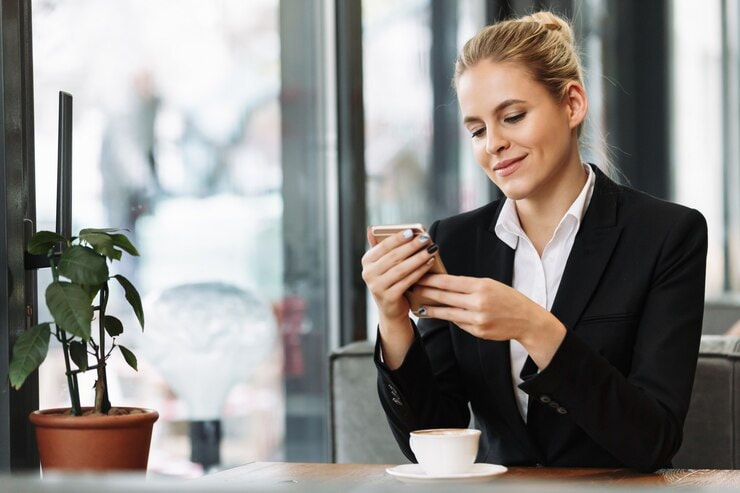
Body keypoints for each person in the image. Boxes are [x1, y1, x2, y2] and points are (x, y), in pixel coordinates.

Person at [361, 11, 708, 472]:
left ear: (572, 104)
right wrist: (392, 319)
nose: (494, 144)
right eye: (478, 130)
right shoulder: (456, 243)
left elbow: (653, 441)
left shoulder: (667, 236)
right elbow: (429, 435)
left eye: (513, 117)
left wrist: (534, 327)